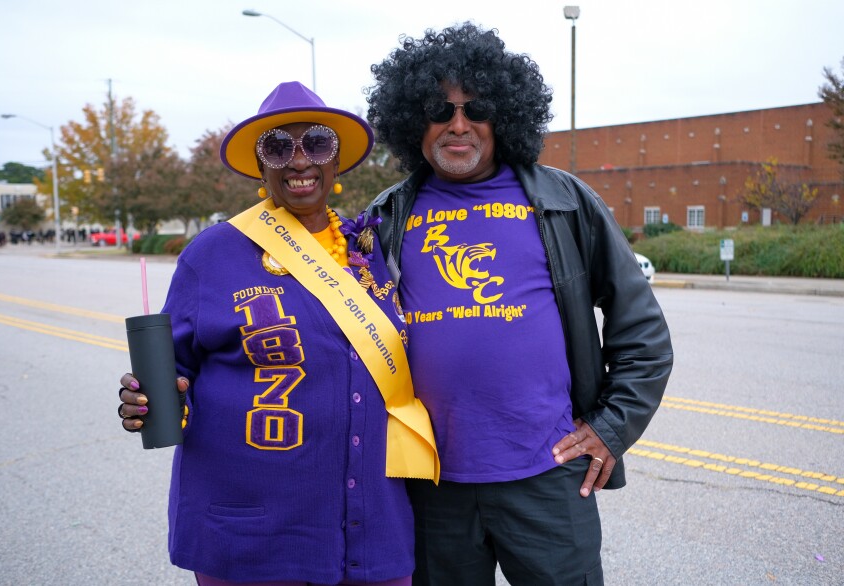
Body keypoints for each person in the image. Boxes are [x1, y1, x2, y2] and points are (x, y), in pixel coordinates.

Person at [364, 23, 674, 585]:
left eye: (475, 107)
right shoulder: (386, 216)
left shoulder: (564, 201)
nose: (458, 124)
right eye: (440, 108)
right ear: (414, 121)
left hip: (549, 478)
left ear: (502, 114)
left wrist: (610, 428)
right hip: (432, 486)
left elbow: (643, 331)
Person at [117, 81, 439, 586]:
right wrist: (152, 402)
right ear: (260, 165)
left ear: (337, 164)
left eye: (316, 143)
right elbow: (171, 373)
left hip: (372, 523)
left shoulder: (370, 250)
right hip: (255, 533)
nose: (299, 161)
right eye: (277, 147)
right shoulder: (213, 254)